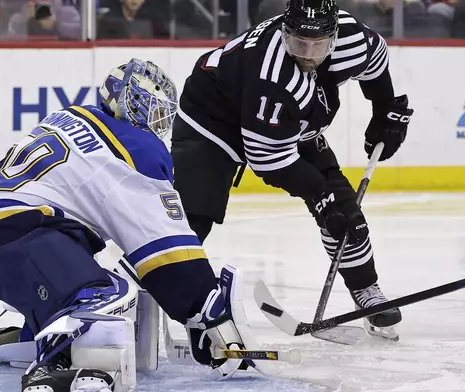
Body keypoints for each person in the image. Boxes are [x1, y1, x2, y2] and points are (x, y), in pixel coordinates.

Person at [0, 58, 261, 392]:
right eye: (155, 111)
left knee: (86, 281)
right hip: (18, 232)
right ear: (133, 104)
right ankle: (49, 372)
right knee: (106, 295)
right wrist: (204, 308)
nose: (158, 124)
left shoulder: (71, 115)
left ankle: (19, 340)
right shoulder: (136, 148)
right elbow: (165, 247)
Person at [171, 0, 414, 340]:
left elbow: (375, 60)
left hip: (288, 121)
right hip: (212, 120)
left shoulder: (352, 39)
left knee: (345, 211)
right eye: (299, 43)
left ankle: (367, 292)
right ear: (285, 32)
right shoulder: (272, 76)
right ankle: (149, 295)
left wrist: (386, 107)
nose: (308, 54)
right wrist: (319, 196)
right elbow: (268, 158)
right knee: (192, 216)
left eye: (318, 45)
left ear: (334, 37)